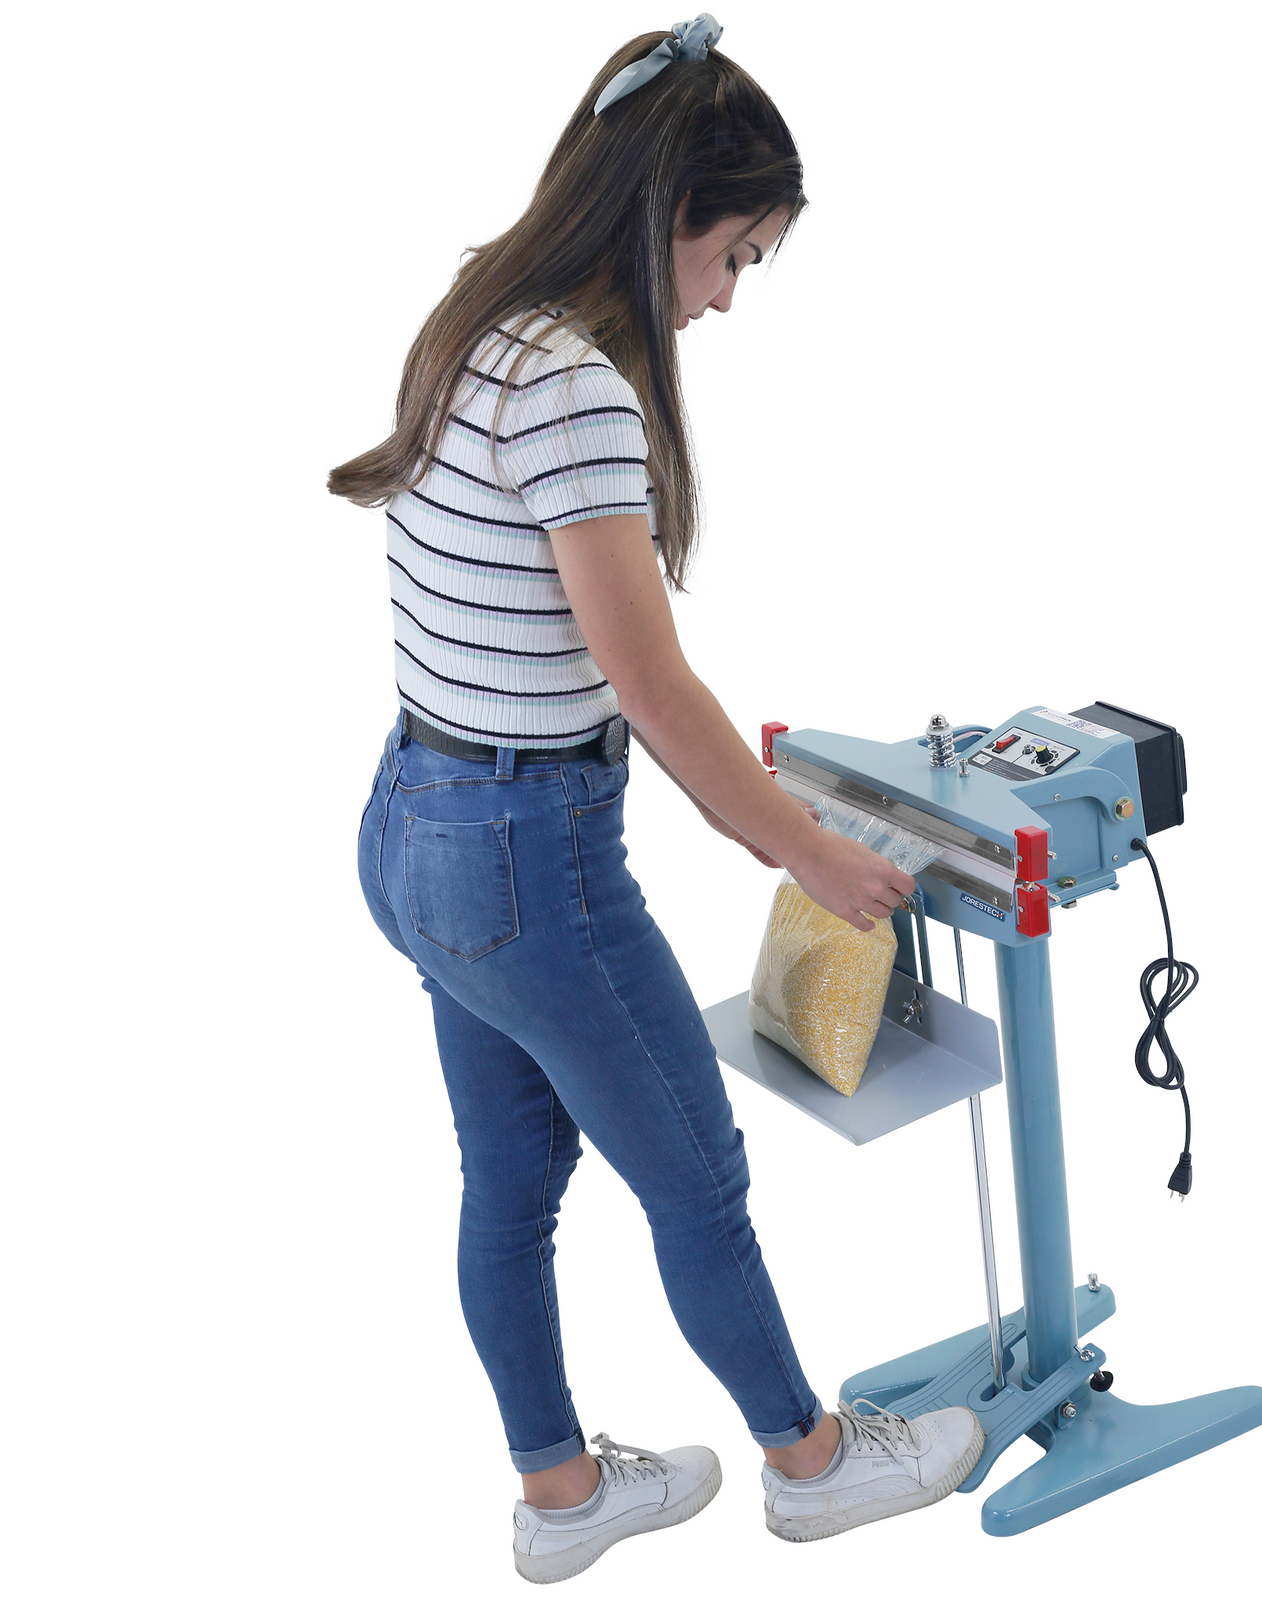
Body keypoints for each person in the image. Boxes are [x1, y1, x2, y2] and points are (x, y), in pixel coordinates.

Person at [331, 16, 982, 1585]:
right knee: (698, 1173)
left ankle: (562, 1496)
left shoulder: (481, 322)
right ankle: (812, 1465)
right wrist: (811, 850)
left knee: (511, 1183)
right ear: (666, 211)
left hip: (415, 823)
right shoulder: (578, 389)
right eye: (734, 253)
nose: (729, 296)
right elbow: (652, 685)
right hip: (525, 860)